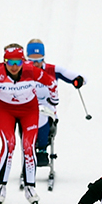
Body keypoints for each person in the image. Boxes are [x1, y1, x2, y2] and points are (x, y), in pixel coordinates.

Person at [0, 44, 58, 204]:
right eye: (10, 62)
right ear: (4, 62)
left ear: (23, 61)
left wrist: (54, 100)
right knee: (9, 145)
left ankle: (30, 188)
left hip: (29, 111)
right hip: (6, 111)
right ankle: (0, 187)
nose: (14, 66)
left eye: (18, 62)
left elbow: (51, 83)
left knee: (29, 146)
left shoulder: (31, 71)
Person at [25, 39, 85, 167]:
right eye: (32, 60)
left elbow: (79, 78)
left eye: (39, 60)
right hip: (27, 108)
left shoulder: (53, 70)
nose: (36, 64)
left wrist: (78, 80)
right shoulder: (21, 70)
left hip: (47, 110)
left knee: (41, 113)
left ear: (43, 57)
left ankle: (41, 150)